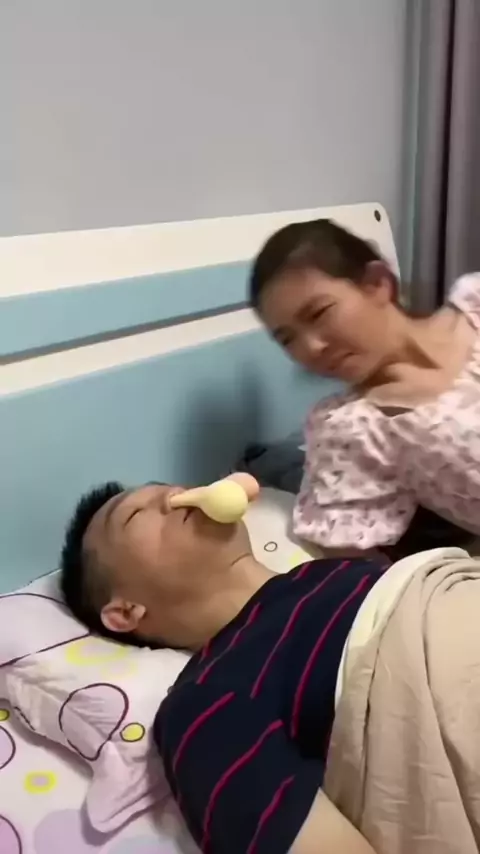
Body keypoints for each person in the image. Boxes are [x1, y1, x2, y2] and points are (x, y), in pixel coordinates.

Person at [61, 480, 383, 853]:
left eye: (172, 487)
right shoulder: (205, 701)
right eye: (134, 515)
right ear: (125, 611)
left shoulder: (341, 570)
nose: (174, 495)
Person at [249, 219, 480, 559]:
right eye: (288, 339)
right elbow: (348, 568)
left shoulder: (474, 300)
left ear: (377, 283)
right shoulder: (352, 431)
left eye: (318, 313)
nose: (311, 347)